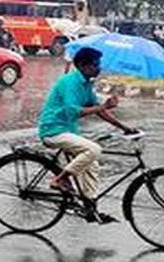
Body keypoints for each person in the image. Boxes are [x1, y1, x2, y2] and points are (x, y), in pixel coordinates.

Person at [38, 47, 136, 223]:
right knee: (94, 149)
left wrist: (124, 127)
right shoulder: (70, 82)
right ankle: (60, 179)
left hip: (69, 131)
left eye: (99, 64)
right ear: (83, 66)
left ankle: (90, 207)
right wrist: (103, 106)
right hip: (53, 130)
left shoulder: (86, 83)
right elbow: (73, 111)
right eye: (95, 65)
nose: (99, 68)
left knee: (92, 164)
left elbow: (99, 110)